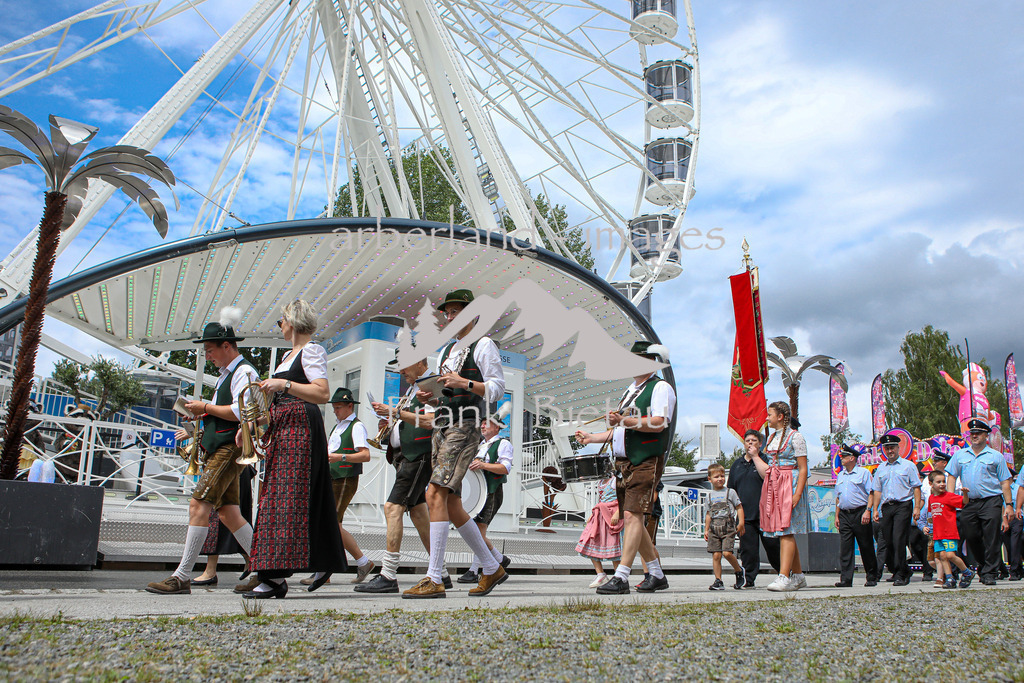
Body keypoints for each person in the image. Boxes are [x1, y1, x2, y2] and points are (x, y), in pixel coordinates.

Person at [403, 289, 508, 598]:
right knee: (452, 503)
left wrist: (465, 383)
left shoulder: (484, 343)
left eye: (456, 311)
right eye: (447, 313)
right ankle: (491, 567)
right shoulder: (448, 350)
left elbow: (498, 388)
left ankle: (435, 577)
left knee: (433, 492)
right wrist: (430, 396)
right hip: (444, 425)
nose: (450, 317)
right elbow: (444, 394)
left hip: (466, 425)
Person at [146, 310, 257, 595]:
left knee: (199, 506)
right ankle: (265, 569)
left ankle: (182, 576)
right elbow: (233, 411)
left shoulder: (243, 372)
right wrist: (202, 413)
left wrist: (204, 408)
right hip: (227, 448)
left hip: (227, 449)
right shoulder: (232, 373)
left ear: (226, 346)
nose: (208, 355)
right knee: (230, 513)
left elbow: (239, 411)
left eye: (210, 350)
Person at [245, 299, 346, 599]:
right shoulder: (288, 357)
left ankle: (274, 576)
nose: (279, 326)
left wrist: (283, 386)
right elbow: (276, 401)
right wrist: (250, 429)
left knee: (286, 499)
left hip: (300, 427)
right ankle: (275, 572)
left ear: (292, 321)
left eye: (281, 321)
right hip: (284, 427)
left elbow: (322, 392)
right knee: (277, 499)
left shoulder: (311, 351)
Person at [575, 340, 675, 595]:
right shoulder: (631, 390)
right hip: (625, 463)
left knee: (632, 516)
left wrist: (624, 420)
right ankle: (656, 574)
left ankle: (621, 576)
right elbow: (619, 431)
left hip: (645, 460)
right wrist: (591, 438)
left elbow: (659, 422)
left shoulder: (660, 386)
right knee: (635, 519)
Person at [360, 351, 447, 593]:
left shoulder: (432, 384)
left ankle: (388, 574)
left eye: (404, 365)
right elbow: (411, 419)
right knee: (419, 514)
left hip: (418, 457)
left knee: (392, 507)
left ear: (420, 361)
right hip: (408, 456)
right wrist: (391, 424)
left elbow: (433, 421)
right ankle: (442, 572)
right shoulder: (413, 388)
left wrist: (396, 413)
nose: (401, 371)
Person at [301, 388, 375, 587]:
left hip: (345, 477)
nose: (336, 411)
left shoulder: (356, 427)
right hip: (332, 477)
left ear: (350, 406)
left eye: (339, 407)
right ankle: (361, 562)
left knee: (330, 523)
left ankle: (327, 568)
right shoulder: (338, 426)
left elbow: (365, 455)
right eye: (334, 408)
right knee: (332, 524)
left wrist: (339, 457)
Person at [944, 418, 1014, 585]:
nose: (974, 436)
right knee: (971, 536)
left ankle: (990, 572)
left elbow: (1005, 482)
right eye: (972, 433)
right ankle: (983, 565)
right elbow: (952, 476)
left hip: (991, 501)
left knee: (991, 538)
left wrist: (1009, 505)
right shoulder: (960, 455)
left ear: (986, 435)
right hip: (969, 502)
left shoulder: (996, 456)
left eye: (978, 433)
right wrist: (950, 498)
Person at [754, 401, 808, 592]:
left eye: (770, 415)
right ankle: (799, 576)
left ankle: (784, 576)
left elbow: (803, 469)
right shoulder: (772, 438)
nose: (767, 418)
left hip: (790, 483)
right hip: (776, 483)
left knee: (786, 530)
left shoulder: (796, 437)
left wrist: (797, 494)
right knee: (783, 530)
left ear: (780, 417)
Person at [459, 410, 513, 583]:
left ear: (497, 428)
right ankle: (498, 559)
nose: (482, 425)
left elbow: (505, 468)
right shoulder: (480, 445)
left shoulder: (503, 443)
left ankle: (475, 570)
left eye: (486, 423)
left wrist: (483, 465)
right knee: (476, 532)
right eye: (481, 423)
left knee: (478, 532)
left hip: (492, 490)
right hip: (479, 493)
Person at [728, 429, 781, 587]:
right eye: (747, 441)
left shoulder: (766, 460)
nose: (750, 443)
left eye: (753, 441)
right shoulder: (737, 465)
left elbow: (769, 477)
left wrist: (755, 457)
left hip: (766, 514)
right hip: (746, 516)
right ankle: (748, 579)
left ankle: (785, 574)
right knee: (748, 551)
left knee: (773, 548)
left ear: (760, 444)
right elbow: (731, 490)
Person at [870, 432, 922, 586]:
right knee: (887, 541)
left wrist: (917, 507)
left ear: (898, 448)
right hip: (887, 507)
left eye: (892, 447)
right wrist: (875, 510)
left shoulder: (908, 466)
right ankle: (901, 569)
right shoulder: (881, 468)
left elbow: (916, 487)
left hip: (903, 505)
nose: (889, 451)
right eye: (886, 448)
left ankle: (901, 574)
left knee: (899, 539)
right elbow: (877, 490)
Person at [833, 445, 878, 587]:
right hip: (845, 514)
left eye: (844, 456)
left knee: (866, 546)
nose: (842, 459)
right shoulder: (841, 475)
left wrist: (868, 510)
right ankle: (846, 579)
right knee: (845, 548)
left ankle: (871, 576)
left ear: (852, 458)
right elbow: (838, 498)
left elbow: (871, 492)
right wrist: (837, 516)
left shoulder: (863, 473)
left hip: (860, 512)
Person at [926, 470, 972, 589]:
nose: (942, 484)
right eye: (938, 482)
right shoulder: (931, 498)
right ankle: (949, 577)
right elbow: (933, 516)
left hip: (949, 532)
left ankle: (967, 572)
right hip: (938, 534)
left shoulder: (949, 496)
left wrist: (965, 494)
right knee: (942, 556)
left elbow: (964, 502)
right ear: (931, 483)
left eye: (943, 481)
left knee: (950, 555)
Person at [575, 475, 623, 587]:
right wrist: (593, 514)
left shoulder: (615, 479)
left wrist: (618, 512)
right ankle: (600, 574)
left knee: (613, 546)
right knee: (590, 541)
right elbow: (601, 499)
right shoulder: (601, 481)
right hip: (600, 514)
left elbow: (623, 497)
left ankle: (619, 576)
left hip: (611, 514)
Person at [704, 463, 745, 590]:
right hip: (714, 529)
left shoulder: (730, 492)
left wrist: (741, 522)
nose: (720, 479)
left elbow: (739, 507)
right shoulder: (709, 496)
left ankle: (738, 571)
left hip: (728, 528)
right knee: (716, 555)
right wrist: (706, 529)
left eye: (722, 476)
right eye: (716, 477)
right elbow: (708, 514)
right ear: (709, 479)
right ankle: (718, 580)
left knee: (727, 553)